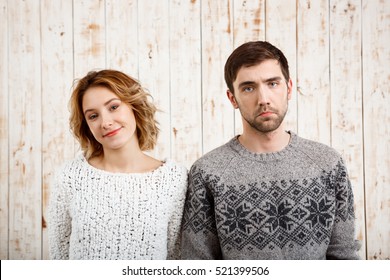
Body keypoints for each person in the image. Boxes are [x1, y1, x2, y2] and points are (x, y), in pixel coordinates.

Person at [181, 41, 361, 259]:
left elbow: (344, 257)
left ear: (289, 88)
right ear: (232, 98)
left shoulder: (328, 163)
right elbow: (197, 264)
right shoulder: (208, 172)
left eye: (272, 84)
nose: (263, 99)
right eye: (248, 88)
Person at [49, 69, 187, 260]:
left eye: (113, 107)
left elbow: (175, 255)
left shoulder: (174, 179)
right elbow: (59, 255)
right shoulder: (69, 177)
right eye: (93, 116)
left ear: (134, 107)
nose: (105, 122)